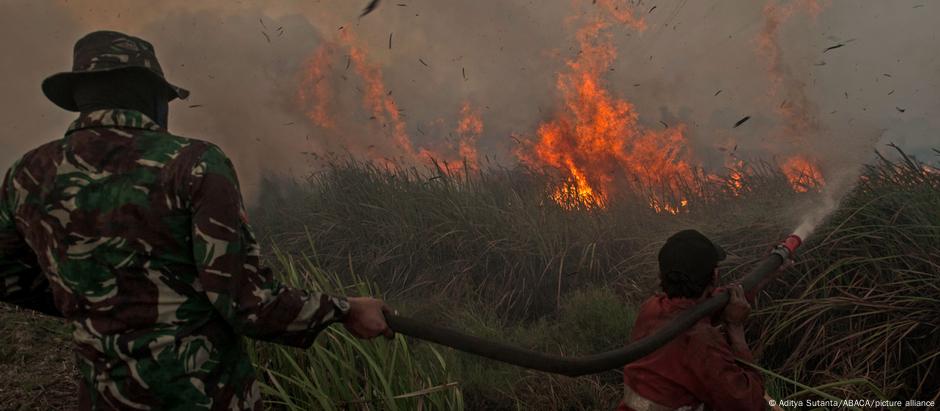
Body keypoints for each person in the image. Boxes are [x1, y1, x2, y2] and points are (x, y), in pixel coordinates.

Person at [0, 30, 393, 410]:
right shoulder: (193, 164)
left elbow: (8, 276)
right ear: (151, 96)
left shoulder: (27, 174)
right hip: (204, 397)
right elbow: (247, 302)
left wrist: (92, 302)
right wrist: (344, 309)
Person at [617, 229, 772, 411]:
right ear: (714, 276)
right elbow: (749, 405)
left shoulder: (651, 308)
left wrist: (765, 273)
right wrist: (736, 329)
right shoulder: (702, 342)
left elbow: (712, 303)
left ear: (662, 275)